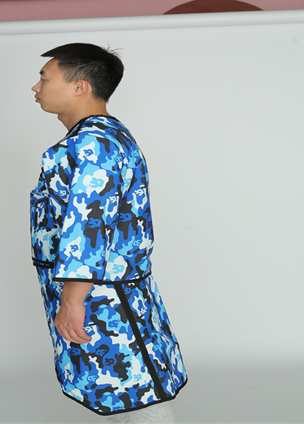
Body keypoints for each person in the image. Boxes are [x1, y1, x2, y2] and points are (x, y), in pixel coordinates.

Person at [30, 43, 187, 423]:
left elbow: (88, 226)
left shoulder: (92, 144)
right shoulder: (105, 135)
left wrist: (73, 300)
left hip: (102, 293)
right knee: (120, 386)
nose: (35, 87)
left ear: (79, 86)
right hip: (105, 287)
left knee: (136, 388)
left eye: (44, 78)